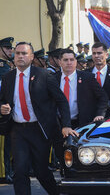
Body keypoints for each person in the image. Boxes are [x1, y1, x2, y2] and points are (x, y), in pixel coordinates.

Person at [0, 42, 77, 195]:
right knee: (20, 170)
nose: (20, 56)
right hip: (18, 130)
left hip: (39, 129)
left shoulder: (44, 75)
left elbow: (61, 101)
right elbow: (2, 99)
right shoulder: (8, 77)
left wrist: (66, 125)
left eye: (24, 53)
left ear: (32, 57)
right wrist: (2, 107)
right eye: (18, 53)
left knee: (41, 171)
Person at [56, 49, 109, 129]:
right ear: (60, 62)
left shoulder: (87, 78)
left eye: (72, 59)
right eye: (66, 60)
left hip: (82, 124)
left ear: (76, 61)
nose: (69, 63)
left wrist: (100, 114)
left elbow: (103, 97)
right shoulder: (53, 79)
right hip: (59, 124)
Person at [0, 37, 14, 184]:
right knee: (3, 145)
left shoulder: (7, 66)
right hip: (3, 110)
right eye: (7, 48)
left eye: (10, 48)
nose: (10, 50)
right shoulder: (2, 67)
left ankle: (8, 171)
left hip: (9, 109)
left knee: (8, 144)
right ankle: (4, 173)